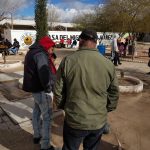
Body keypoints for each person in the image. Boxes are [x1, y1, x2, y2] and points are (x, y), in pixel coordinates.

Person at [54, 29, 119, 150]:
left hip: (75, 120)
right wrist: (105, 110)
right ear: (95, 42)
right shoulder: (108, 64)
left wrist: (65, 107)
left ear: (81, 41)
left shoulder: (68, 61)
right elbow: (114, 92)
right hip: (97, 121)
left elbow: (58, 90)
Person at [22, 36, 56, 150]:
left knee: (36, 111)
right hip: (41, 90)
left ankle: (37, 135)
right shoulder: (41, 54)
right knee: (47, 117)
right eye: (52, 48)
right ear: (47, 46)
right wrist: (48, 89)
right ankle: (45, 145)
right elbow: (44, 74)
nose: (52, 51)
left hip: (35, 89)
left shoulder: (31, 52)